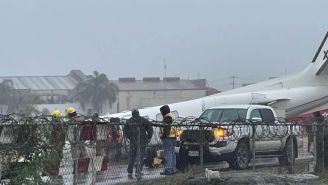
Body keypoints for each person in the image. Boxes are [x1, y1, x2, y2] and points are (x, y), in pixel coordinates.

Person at [125, 109, 153, 180]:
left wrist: (130, 137)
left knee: (132, 156)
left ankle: (129, 172)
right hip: (142, 141)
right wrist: (149, 136)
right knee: (140, 156)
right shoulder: (143, 120)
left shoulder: (128, 121)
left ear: (132, 114)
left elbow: (125, 131)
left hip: (133, 141)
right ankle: (138, 171)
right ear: (138, 113)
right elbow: (150, 127)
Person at [159, 105, 177, 175]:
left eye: (161, 111)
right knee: (172, 154)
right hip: (172, 137)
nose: (161, 113)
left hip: (168, 138)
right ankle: (173, 169)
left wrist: (163, 136)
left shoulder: (167, 117)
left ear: (164, 111)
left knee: (168, 154)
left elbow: (167, 128)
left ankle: (168, 169)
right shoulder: (171, 116)